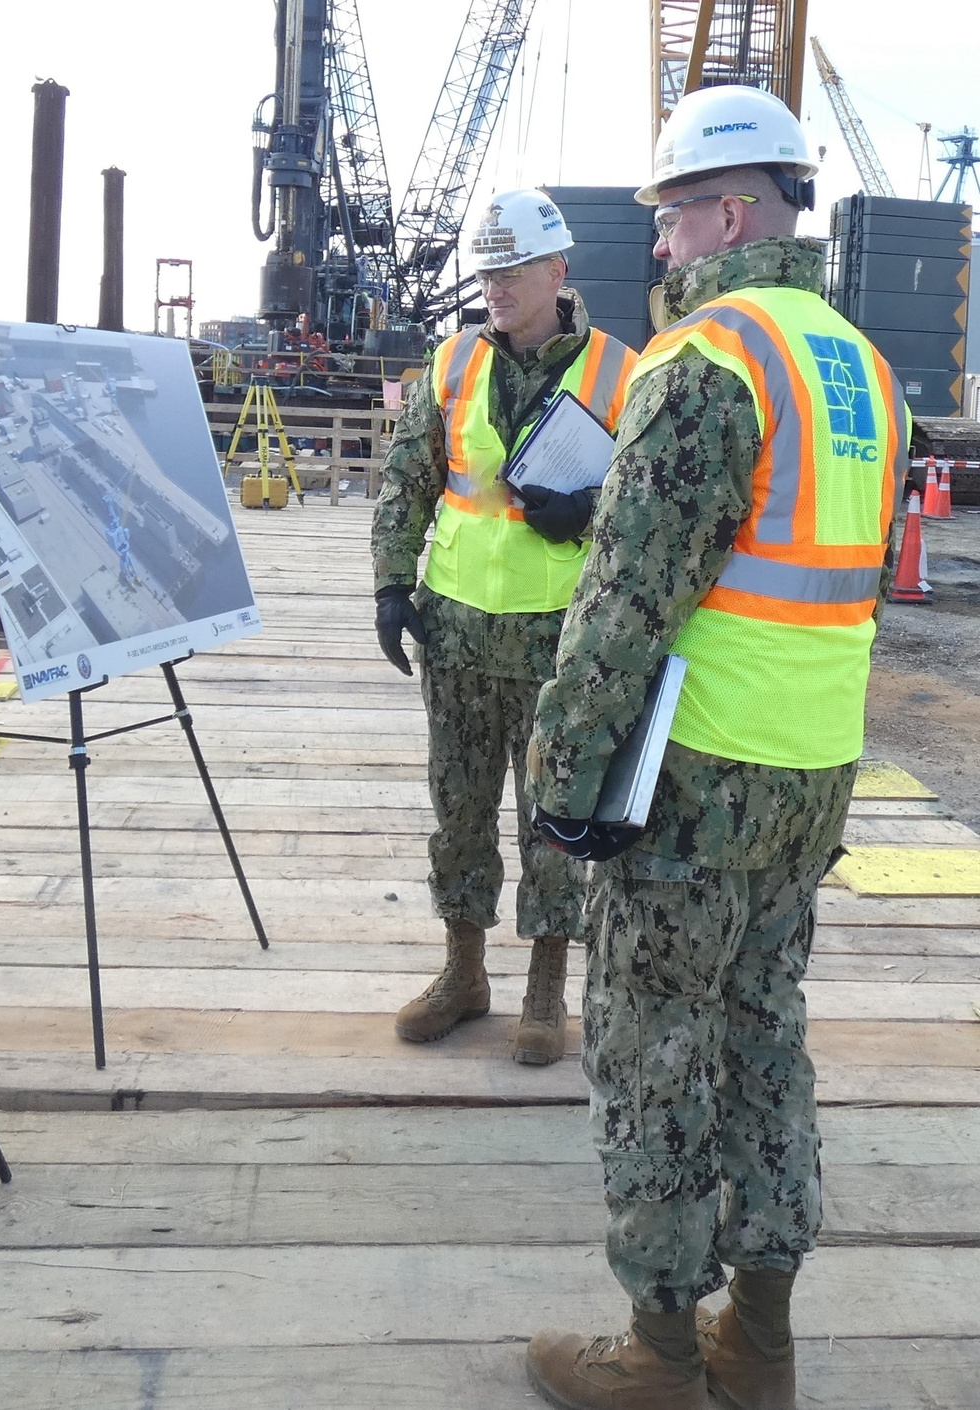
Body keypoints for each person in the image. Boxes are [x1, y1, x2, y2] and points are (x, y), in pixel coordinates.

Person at [523, 88, 910, 1409]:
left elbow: (631, 596)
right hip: (813, 774)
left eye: (676, 215)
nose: (668, 246)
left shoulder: (708, 361)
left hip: (694, 777)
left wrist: (563, 777)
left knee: (647, 1046)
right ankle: (764, 1340)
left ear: (732, 208)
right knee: (763, 1032)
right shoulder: (860, 363)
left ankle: (658, 1351)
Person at [371, 188, 637, 1065]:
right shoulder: (452, 364)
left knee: (551, 818)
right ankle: (463, 972)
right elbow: (408, 479)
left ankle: (546, 985)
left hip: (558, 644)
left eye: (513, 267)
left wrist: (587, 513)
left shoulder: (620, 372)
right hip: (454, 636)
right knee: (459, 810)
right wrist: (389, 585)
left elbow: (646, 510)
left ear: (558, 270)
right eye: (486, 269)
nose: (496, 285)